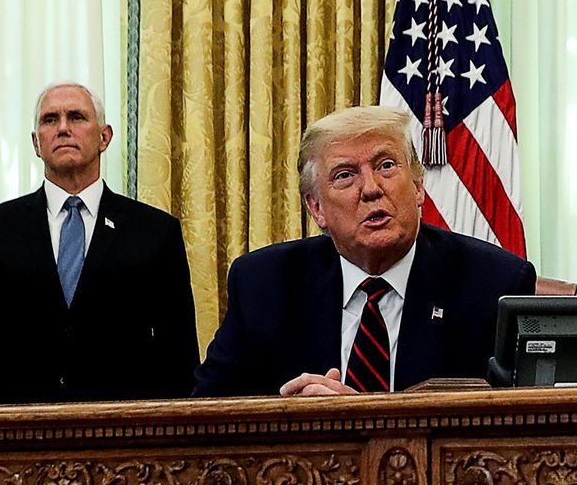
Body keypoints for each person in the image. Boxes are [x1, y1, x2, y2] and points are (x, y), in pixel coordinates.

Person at [193, 106, 536, 397]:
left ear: (418, 187)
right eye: (345, 175)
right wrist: (290, 420)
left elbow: (515, 425)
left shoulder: (493, 283)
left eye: (386, 166)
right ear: (316, 209)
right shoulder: (263, 284)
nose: (371, 189)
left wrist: (360, 418)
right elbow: (203, 415)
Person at [0, 82, 200, 404]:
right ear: (36, 143)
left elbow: (179, 356)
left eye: (76, 117)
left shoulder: (155, 231)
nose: (62, 128)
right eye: (50, 120)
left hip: (125, 432)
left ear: (104, 137)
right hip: (15, 432)